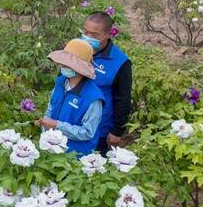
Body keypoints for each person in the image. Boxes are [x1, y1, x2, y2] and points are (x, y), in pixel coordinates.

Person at [38, 38, 105, 155]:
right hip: (52, 149)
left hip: (75, 156)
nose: (62, 65)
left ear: (81, 67)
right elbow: (49, 110)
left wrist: (57, 125)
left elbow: (88, 132)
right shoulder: (60, 84)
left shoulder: (93, 98)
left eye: (68, 63)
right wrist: (45, 128)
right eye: (63, 62)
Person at [79, 11, 133, 154]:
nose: (88, 37)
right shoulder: (75, 50)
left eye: (95, 35)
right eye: (85, 32)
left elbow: (123, 99)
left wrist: (117, 131)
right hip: (70, 122)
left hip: (99, 129)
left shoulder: (120, 62)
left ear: (108, 34)